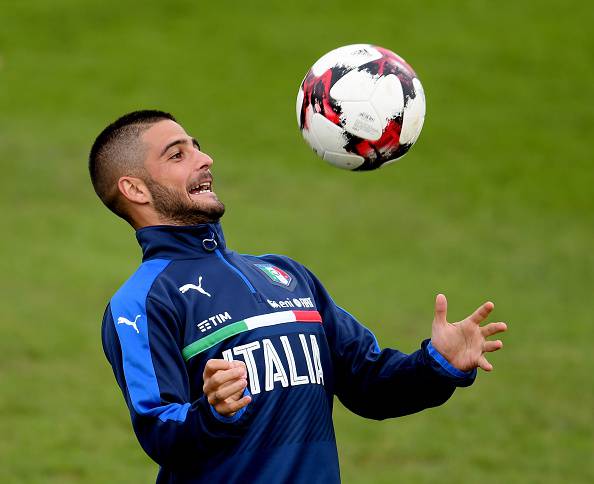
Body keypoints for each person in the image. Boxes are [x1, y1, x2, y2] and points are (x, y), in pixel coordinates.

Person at [90, 110, 507, 483]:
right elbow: (159, 430)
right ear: (135, 190)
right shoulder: (142, 303)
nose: (205, 160)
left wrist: (437, 364)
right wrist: (212, 413)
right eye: (177, 155)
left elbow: (369, 383)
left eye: (197, 148)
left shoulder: (285, 275)